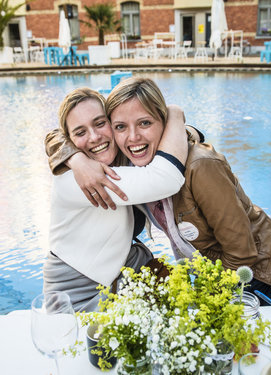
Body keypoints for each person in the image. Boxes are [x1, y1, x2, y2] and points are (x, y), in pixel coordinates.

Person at [48, 78, 271, 306]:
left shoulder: (199, 167)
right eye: (121, 126)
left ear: (164, 124)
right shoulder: (121, 164)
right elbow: (55, 135)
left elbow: (243, 254)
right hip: (217, 272)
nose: (132, 137)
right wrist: (74, 158)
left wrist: (206, 300)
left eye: (145, 123)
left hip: (269, 271)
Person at [44, 87, 188, 312]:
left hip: (126, 271)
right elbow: (166, 179)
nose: (94, 137)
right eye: (80, 132)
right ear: (70, 141)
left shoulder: (123, 157)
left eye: (100, 123)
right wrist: (176, 114)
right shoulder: (73, 180)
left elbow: (160, 137)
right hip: (76, 295)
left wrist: (188, 130)